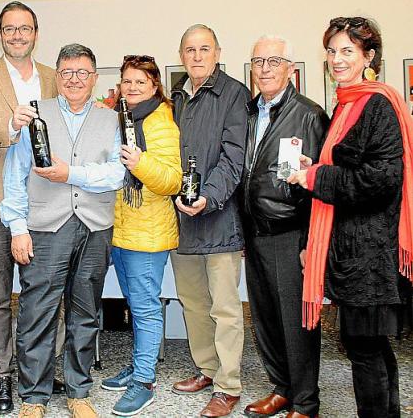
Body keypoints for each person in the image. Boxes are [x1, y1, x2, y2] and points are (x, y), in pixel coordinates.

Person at [288, 17, 413, 418]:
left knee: (365, 351)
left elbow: (382, 180)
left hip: (371, 254)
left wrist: (316, 177)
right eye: (331, 51)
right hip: (354, 252)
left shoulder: (377, 104)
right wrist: (314, 168)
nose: (336, 59)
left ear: (368, 56)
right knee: (370, 348)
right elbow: (348, 167)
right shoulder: (348, 103)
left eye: (347, 51)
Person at [0, 43, 124, 418]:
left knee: (85, 314)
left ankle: (78, 392)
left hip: (95, 228)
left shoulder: (112, 120)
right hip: (44, 228)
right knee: (37, 314)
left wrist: (72, 174)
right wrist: (17, 228)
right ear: (57, 76)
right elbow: (15, 175)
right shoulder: (34, 114)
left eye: (82, 72)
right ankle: (33, 397)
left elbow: (118, 173)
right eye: (67, 72)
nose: (74, 79)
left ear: (94, 77)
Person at [0, 1, 57, 414]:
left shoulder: (53, 77)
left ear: (35, 33)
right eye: (9, 29)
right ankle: (1, 374)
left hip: (45, 201)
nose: (17, 35)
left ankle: (38, 370)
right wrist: (9, 126)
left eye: (25, 28)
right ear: (0, 34)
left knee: (43, 293)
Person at [240, 36, 329, 418]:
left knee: (296, 323)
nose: (264, 68)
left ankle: (306, 402)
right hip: (254, 232)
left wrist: (310, 241)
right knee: (266, 320)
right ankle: (282, 389)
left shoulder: (308, 115)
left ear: (290, 68)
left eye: (273, 61)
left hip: (290, 234)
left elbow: (319, 184)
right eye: (258, 61)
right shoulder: (247, 112)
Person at [169, 24, 250, 417]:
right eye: (190, 50)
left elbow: (235, 157)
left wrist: (209, 197)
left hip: (219, 219)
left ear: (217, 52)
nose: (197, 56)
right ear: (181, 55)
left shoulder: (234, 94)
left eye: (204, 49)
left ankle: (228, 385)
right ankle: (207, 369)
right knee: (193, 303)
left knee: (225, 308)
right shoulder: (176, 97)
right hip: (182, 221)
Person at [100, 55, 182, 416]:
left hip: (148, 233)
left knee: (146, 309)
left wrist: (140, 163)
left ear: (154, 86)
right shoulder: (123, 117)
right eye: (127, 81)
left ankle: (145, 382)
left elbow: (172, 180)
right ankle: (138, 367)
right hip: (122, 228)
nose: (132, 87)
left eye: (140, 82)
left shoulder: (161, 121)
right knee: (134, 306)